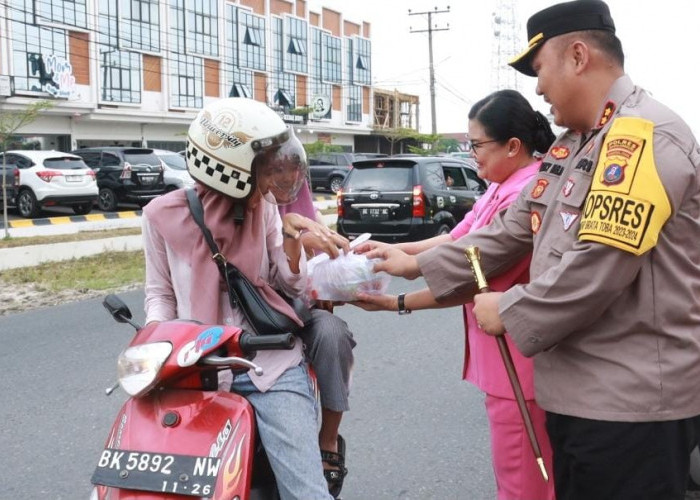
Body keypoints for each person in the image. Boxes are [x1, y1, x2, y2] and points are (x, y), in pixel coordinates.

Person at [357, 1, 700, 498]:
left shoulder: (641, 137)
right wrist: (415, 263)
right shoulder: (576, 145)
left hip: (630, 407)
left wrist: (510, 307)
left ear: (578, 56)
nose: (537, 88)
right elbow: (512, 231)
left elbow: (599, 265)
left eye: (540, 70)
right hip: (578, 394)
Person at [354, 89, 556, 500]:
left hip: (518, 360)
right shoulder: (502, 187)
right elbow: (454, 240)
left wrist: (397, 297)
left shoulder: (524, 193)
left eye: (477, 144)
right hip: (507, 359)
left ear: (513, 146)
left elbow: (470, 270)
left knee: (522, 480)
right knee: (520, 473)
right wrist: (388, 250)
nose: (471, 153)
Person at [142, 97, 347, 499]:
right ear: (231, 169)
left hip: (268, 364)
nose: (273, 181)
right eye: (265, 170)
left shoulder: (266, 209)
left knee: (307, 492)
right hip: (193, 369)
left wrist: (292, 244)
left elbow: (289, 287)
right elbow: (160, 296)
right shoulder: (159, 216)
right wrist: (156, 343)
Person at [278, 177, 356, 496]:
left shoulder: (302, 203)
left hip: (295, 308)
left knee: (332, 331)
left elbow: (305, 276)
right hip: (239, 314)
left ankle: (328, 437)